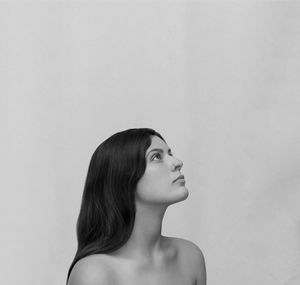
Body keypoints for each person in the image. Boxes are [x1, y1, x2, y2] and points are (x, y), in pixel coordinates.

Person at [66, 128, 206, 285]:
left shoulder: (189, 258)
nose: (177, 162)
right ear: (124, 178)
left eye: (170, 154)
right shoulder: (94, 274)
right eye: (157, 157)